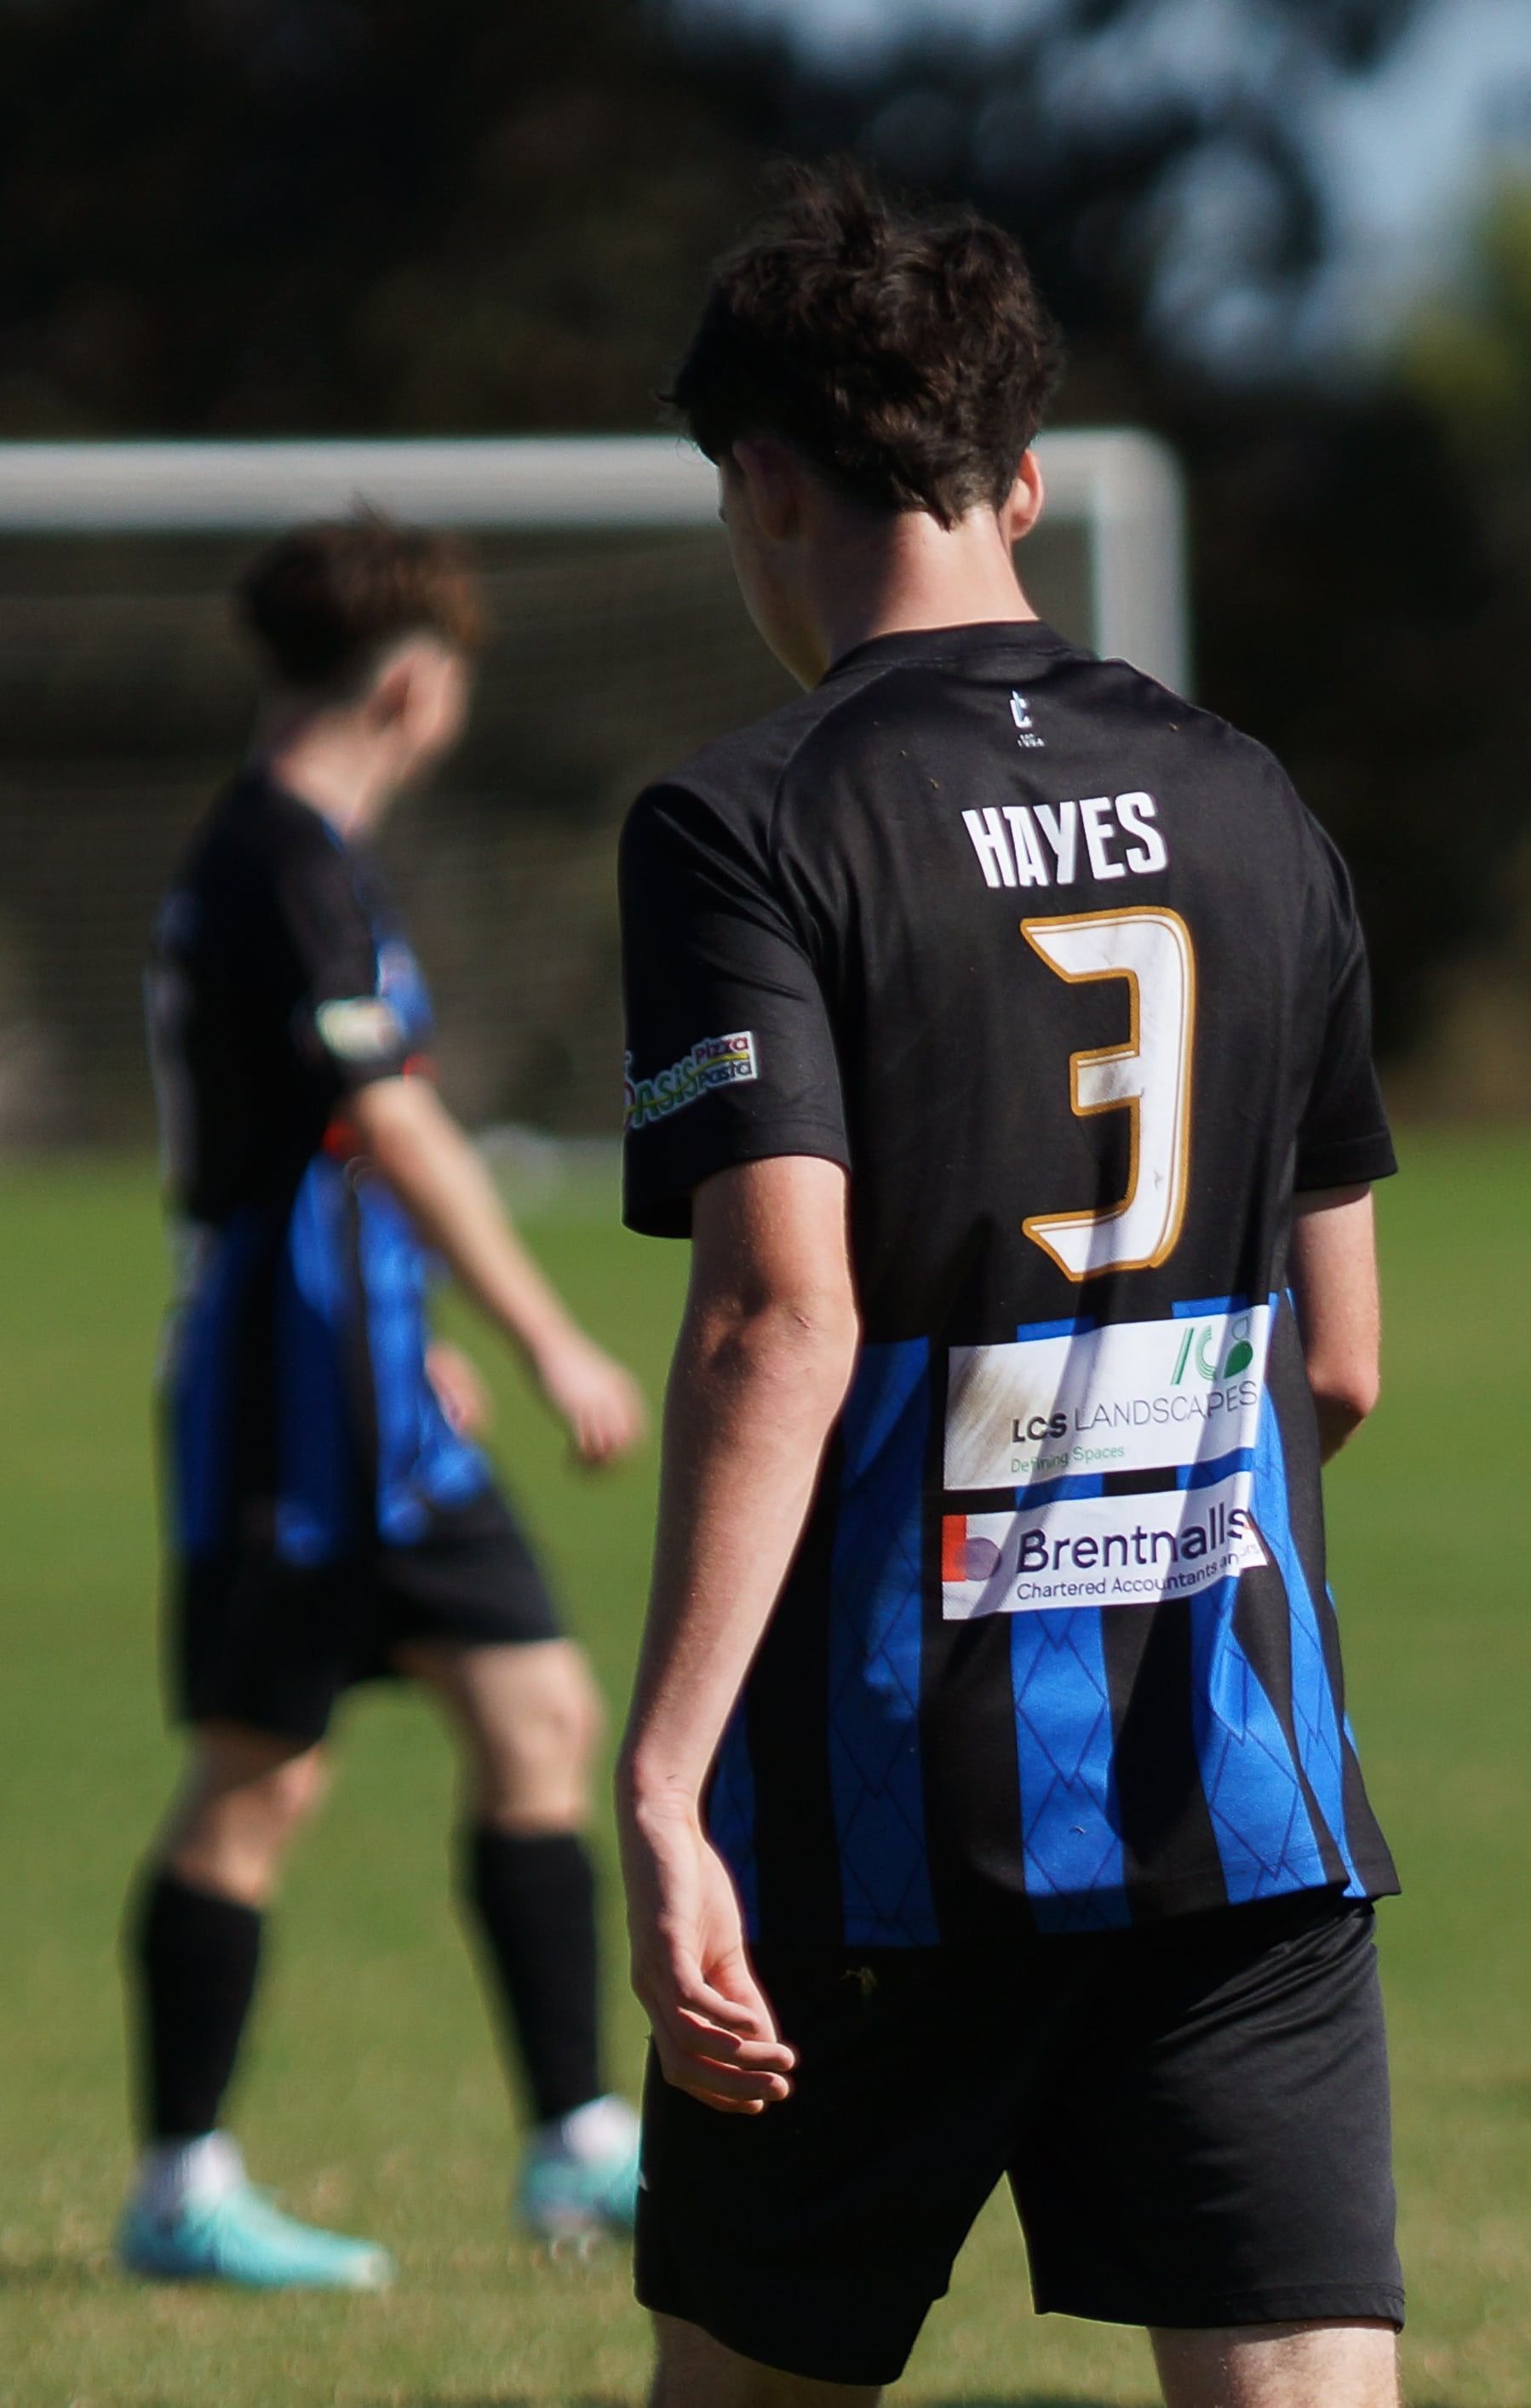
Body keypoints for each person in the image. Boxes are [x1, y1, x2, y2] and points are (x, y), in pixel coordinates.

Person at [616, 163, 1403, 2408]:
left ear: (759, 483)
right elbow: (1333, 1353)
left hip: (877, 1807)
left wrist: (666, 1783)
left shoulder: (742, 820)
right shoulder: (1252, 800)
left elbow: (779, 1311)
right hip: (1230, 1790)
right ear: (1023, 474)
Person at [121, 514, 646, 2290]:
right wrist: (546, 1336)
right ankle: (179, 2185)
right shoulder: (281, 860)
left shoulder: (307, 858)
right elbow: (394, 1127)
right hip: (286, 1408)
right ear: (413, 689)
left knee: (541, 1718)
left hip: (374, 1389)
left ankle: (577, 2148)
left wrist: (414, 1332)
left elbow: (316, 1147)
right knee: (259, 1780)